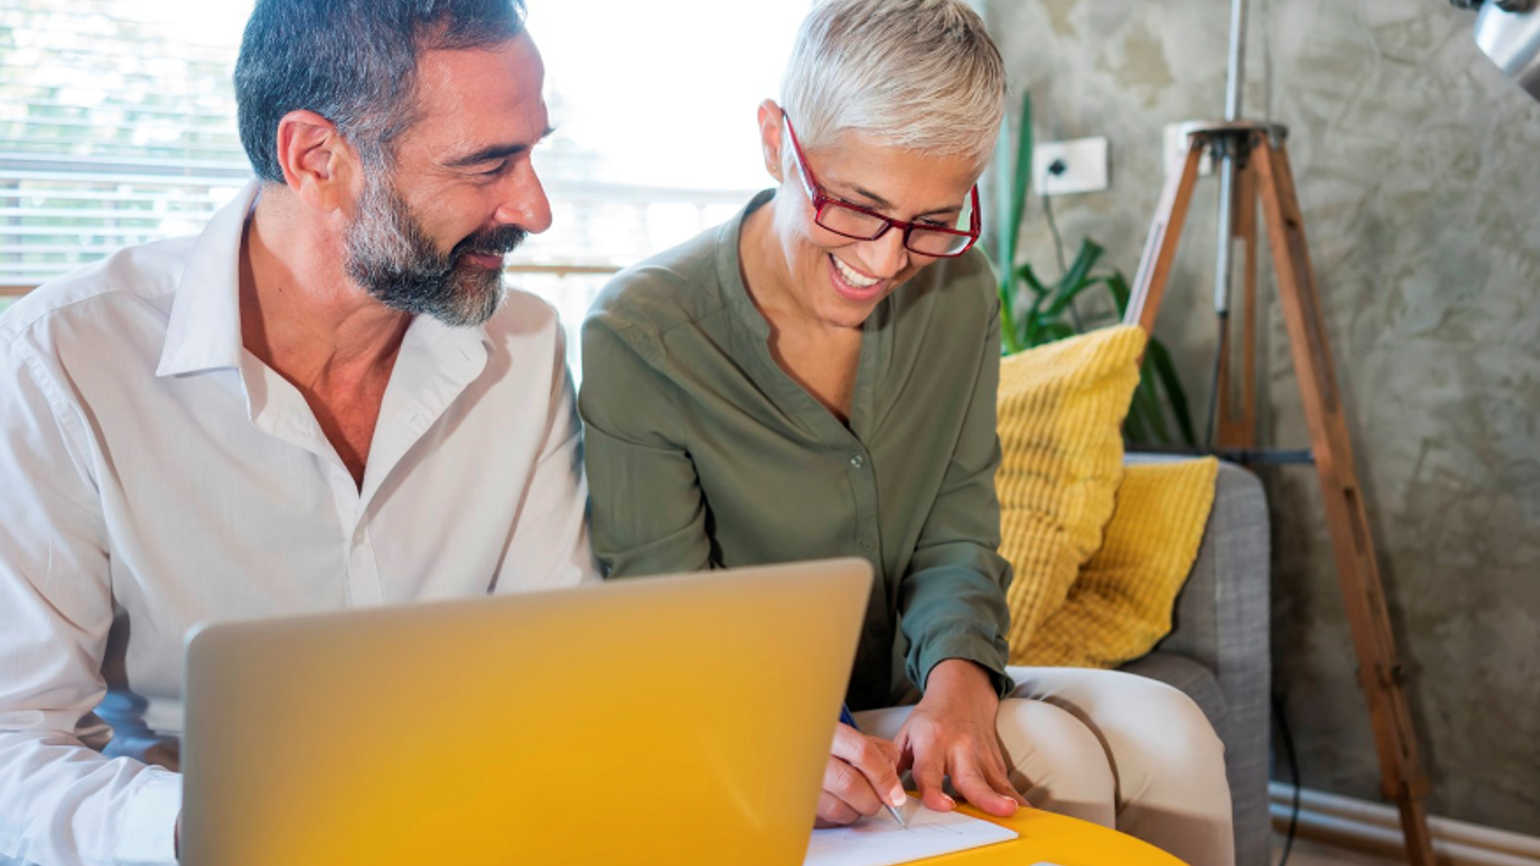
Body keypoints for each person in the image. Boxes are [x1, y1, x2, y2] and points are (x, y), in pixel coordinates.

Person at [579, 0, 1235, 863]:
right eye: (855, 206)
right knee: (1064, 758)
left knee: (1174, 731)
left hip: (909, 685)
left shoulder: (959, 294)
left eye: (933, 220)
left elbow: (957, 527)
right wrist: (771, 737)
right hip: (761, 718)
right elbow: (666, 617)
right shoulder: (643, 332)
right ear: (776, 140)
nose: (887, 263)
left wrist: (961, 680)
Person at [0, 2, 594, 863]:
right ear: (316, 159)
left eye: (535, 151)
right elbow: (14, 746)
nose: (534, 209)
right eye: (487, 164)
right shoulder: (61, 364)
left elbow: (564, 669)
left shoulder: (525, 344)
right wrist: (226, 825)